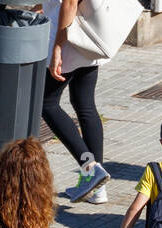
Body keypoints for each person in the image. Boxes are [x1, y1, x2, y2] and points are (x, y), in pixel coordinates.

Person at [44, 0, 111, 203]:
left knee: (46, 103)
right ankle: (97, 187)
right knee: (85, 104)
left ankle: (90, 166)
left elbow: (70, 3)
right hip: (89, 35)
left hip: (69, 39)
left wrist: (57, 47)